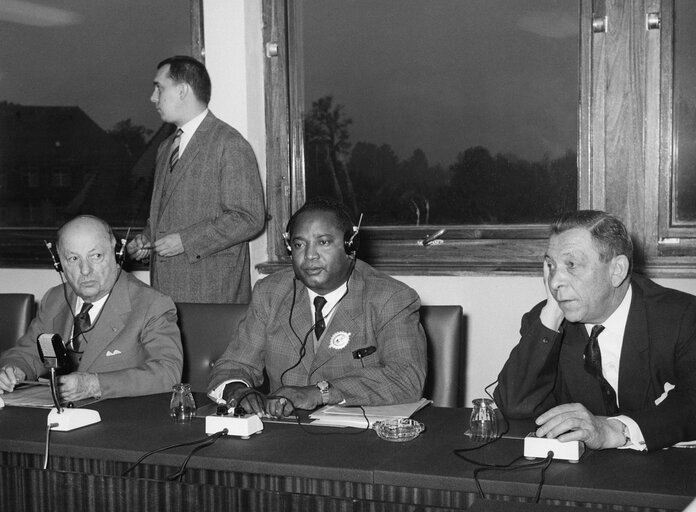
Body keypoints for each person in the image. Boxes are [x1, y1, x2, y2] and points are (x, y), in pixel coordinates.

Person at [495, 210, 696, 451]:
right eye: (551, 265)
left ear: (616, 270)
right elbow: (513, 405)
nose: (555, 281)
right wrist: (552, 312)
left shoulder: (681, 316)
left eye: (572, 265)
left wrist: (616, 429)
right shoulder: (547, 322)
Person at [207, 198, 427, 418]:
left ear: (351, 246)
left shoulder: (390, 297)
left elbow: (405, 378)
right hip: (285, 436)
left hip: (361, 438)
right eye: (299, 244)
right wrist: (238, 390)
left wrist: (318, 393)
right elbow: (233, 364)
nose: (310, 255)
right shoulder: (270, 293)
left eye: (323, 242)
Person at [127, 55, 265, 304]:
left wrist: (185, 241)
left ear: (182, 91)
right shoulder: (166, 147)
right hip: (165, 296)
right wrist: (147, 239)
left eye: (159, 88)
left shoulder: (230, 144)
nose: (153, 97)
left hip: (211, 295)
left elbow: (249, 218)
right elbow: (167, 213)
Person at [0, 215, 183, 402]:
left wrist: (95, 385)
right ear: (59, 263)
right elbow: (28, 351)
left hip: (122, 421)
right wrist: (14, 369)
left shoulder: (151, 304)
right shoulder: (54, 299)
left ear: (115, 253)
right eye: (73, 258)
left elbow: (168, 374)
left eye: (96, 256)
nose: (85, 270)